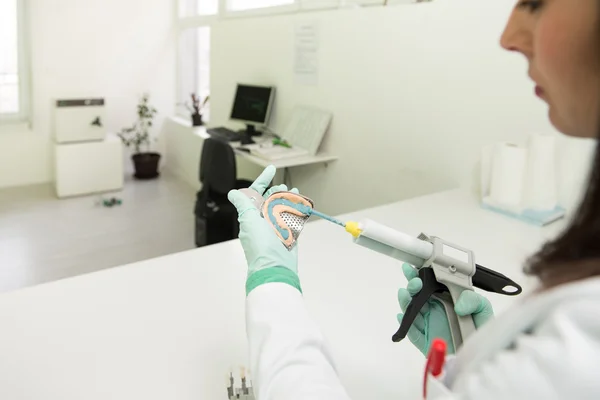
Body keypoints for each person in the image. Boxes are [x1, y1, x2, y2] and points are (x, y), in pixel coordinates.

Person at [227, 0, 600, 398]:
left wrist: (273, 280)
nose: (508, 37)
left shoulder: (579, 349)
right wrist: (475, 356)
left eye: (535, 2)